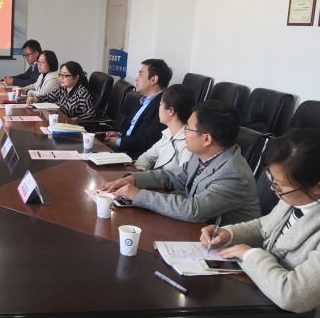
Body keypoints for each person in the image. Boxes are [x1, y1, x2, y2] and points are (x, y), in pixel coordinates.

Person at [185, 129, 320, 318]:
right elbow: (264, 226)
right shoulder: (298, 197)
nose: (274, 190)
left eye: (280, 185)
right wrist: (228, 234)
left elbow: (295, 295)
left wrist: (250, 254)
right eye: (271, 181)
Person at [99, 100, 260, 224]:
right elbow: (174, 176)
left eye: (188, 128)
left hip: (226, 247)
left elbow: (193, 210)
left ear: (207, 139)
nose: (184, 133)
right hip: (198, 230)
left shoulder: (233, 174)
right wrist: (133, 179)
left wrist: (139, 195)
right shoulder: (204, 155)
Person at [102, 59, 172, 159]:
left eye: (141, 74)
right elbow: (133, 128)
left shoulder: (163, 106)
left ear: (153, 79)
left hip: (134, 157)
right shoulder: (142, 100)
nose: (136, 78)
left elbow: (148, 140)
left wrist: (118, 142)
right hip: (122, 149)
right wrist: (119, 134)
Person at [134, 84, 195, 171]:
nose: (159, 108)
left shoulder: (189, 143)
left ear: (171, 111)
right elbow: (147, 157)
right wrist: (140, 172)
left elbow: (181, 175)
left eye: (160, 105)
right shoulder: (169, 133)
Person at [27, 61, 96, 121]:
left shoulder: (82, 93)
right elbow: (48, 97)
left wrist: (73, 120)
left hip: (75, 127)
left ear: (76, 77)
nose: (61, 78)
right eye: (60, 74)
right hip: (61, 123)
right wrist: (35, 99)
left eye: (65, 75)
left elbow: (91, 115)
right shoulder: (63, 89)